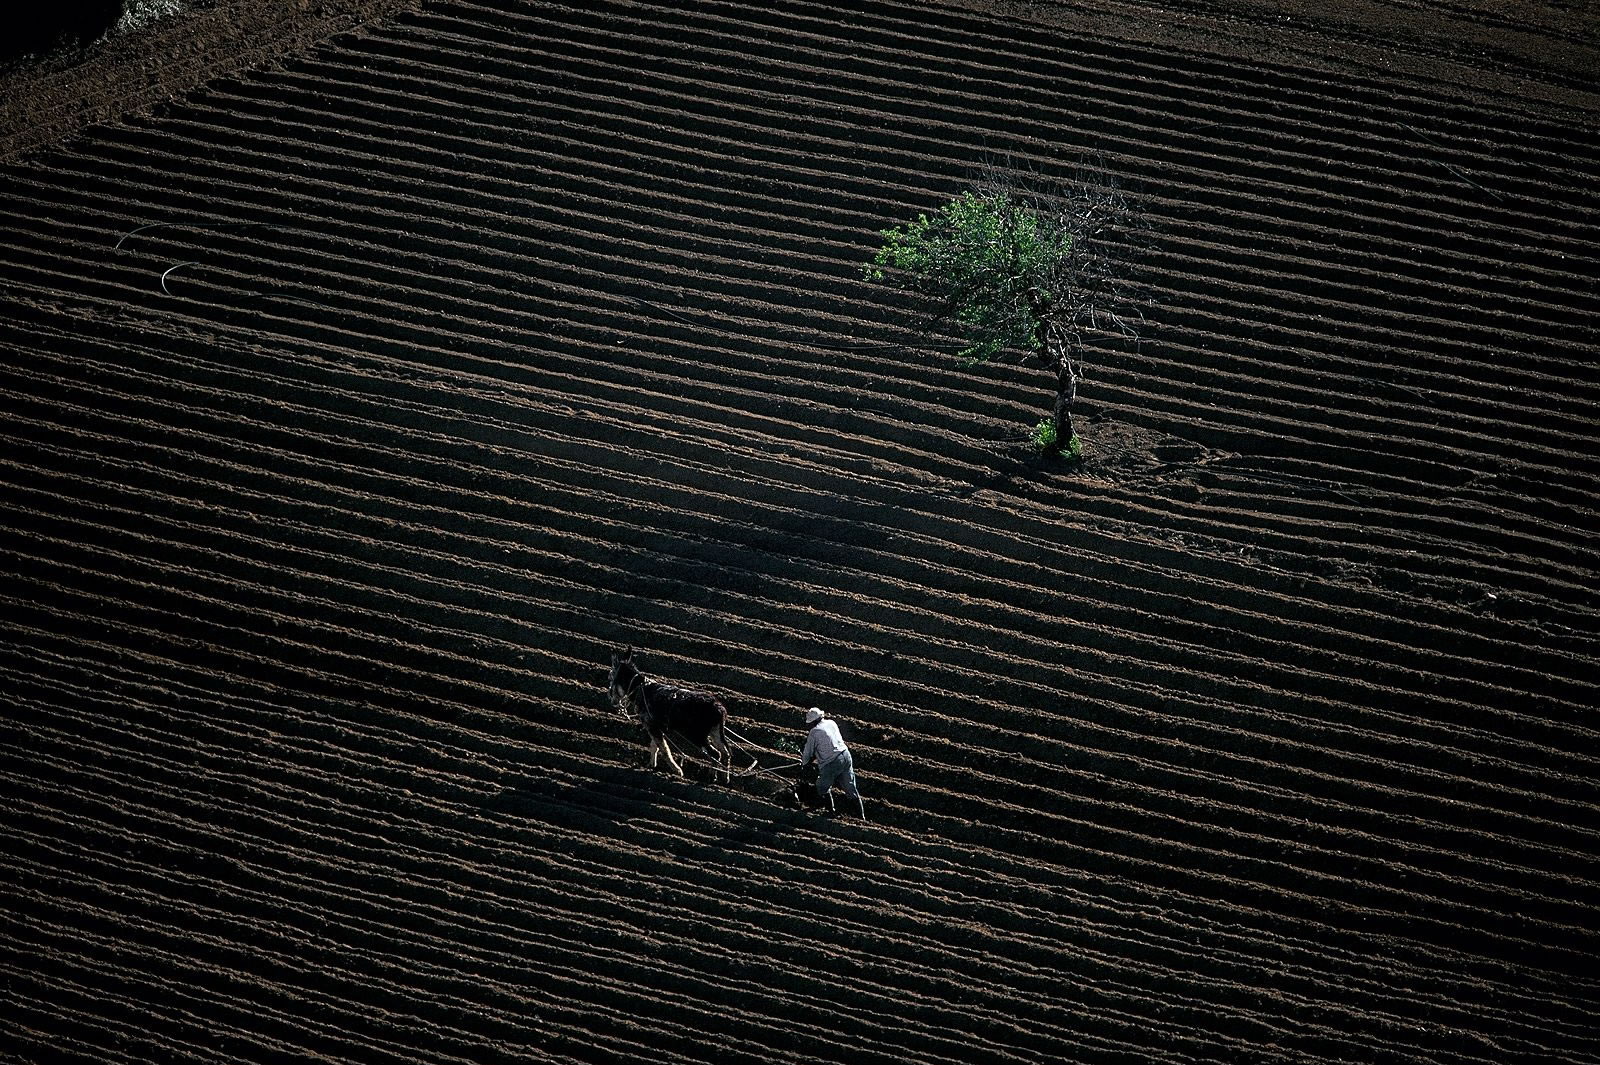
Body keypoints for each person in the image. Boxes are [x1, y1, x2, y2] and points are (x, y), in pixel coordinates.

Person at [799, 707, 865, 819]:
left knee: (822, 786)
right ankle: (861, 817)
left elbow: (808, 752)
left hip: (832, 762)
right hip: (845, 755)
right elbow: (830, 742)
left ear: (814, 721)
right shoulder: (831, 723)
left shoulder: (814, 732)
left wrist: (804, 763)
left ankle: (830, 811)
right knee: (850, 788)